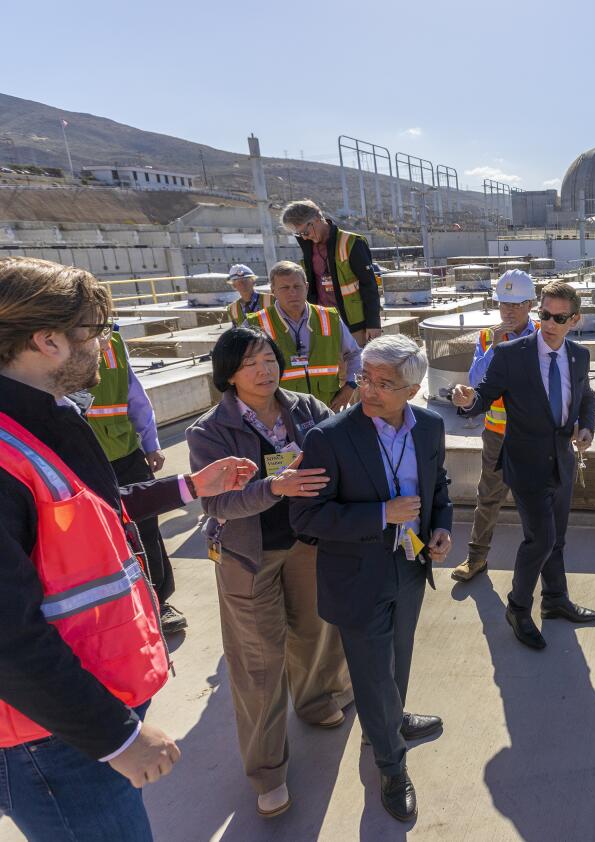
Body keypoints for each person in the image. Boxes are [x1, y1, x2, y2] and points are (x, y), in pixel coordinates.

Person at [0, 257, 257, 842]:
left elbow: (94, 509)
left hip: (77, 709)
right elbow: (6, 638)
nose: (103, 347)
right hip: (54, 740)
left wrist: (193, 485)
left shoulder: (38, 421)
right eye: (94, 332)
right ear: (48, 341)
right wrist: (115, 737)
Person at [185, 325, 354, 819]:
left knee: (317, 631)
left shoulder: (305, 409)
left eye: (269, 359)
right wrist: (273, 489)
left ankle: (318, 700)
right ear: (229, 375)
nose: (264, 370)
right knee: (257, 663)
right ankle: (267, 771)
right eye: (250, 363)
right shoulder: (209, 431)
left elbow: (338, 456)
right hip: (247, 557)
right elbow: (215, 502)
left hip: (306, 544)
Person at [290, 335, 452, 823]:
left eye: (385, 383)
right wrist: (382, 513)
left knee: (397, 659)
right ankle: (391, 765)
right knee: (372, 671)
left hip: (409, 566)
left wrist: (441, 526)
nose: (370, 391)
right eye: (365, 378)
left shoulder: (428, 426)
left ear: (413, 388)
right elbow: (306, 519)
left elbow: (437, 485)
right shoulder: (329, 438)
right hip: (358, 576)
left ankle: (390, 720)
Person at [451, 280, 595, 650]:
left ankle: (555, 600)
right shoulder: (511, 354)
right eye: (544, 314)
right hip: (525, 461)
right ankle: (518, 608)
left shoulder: (579, 355)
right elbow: (483, 395)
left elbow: (586, 396)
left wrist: (587, 425)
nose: (549, 323)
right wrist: (468, 399)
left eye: (558, 317)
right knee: (541, 539)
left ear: (575, 319)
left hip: (561, 461)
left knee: (558, 538)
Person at [85, 327, 187, 635]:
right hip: (82, 456)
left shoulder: (114, 343)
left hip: (126, 452)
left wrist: (151, 443)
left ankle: (160, 600)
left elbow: (135, 396)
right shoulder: (51, 346)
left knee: (146, 530)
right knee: (93, 538)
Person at [451, 269, 539, 583]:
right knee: (488, 497)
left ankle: (541, 559)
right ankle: (476, 558)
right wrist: (496, 346)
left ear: (530, 304)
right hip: (497, 435)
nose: (508, 311)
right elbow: (476, 381)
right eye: (503, 304)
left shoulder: (544, 334)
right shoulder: (488, 336)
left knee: (537, 499)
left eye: (515, 305)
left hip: (534, 437)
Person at [245, 260, 362, 411]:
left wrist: (350, 386)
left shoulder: (328, 317)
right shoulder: (257, 323)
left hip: (326, 409)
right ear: (273, 291)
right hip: (281, 412)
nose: (292, 293)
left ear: (306, 287)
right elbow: (240, 366)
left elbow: (355, 354)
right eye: (285, 288)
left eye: (297, 286)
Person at [281, 199, 382, 346]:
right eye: (299, 234)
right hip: (322, 323)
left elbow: (369, 285)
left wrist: (373, 322)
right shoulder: (308, 247)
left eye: (305, 232)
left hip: (354, 325)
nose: (304, 237)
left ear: (317, 219)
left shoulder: (352, 243)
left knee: (357, 367)